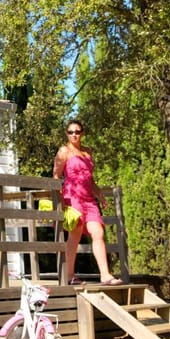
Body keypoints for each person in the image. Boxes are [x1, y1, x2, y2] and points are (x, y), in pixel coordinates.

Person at [52, 119, 123, 286]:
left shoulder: (87, 152)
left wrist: (99, 193)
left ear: (82, 133)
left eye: (77, 132)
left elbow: (89, 179)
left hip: (89, 199)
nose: (74, 135)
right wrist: (60, 200)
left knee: (98, 232)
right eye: (70, 132)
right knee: (75, 235)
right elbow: (56, 176)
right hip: (72, 196)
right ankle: (69, 275)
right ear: (66, 134)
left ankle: (105, 275)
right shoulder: (64, 151)